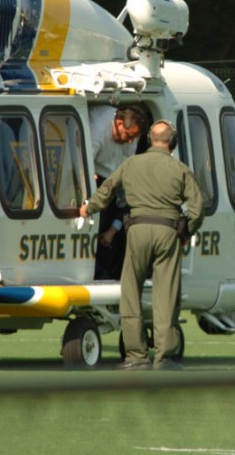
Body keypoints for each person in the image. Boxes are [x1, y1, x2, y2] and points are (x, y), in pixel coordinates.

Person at [80, 120, 204, 370]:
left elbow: (107, 190)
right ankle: (164, 357)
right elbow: (197, 208)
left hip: (136, 230)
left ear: (149, 139)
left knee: (130, 291)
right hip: (167, 231)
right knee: (165, 294)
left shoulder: (130, 164)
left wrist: (87, 208)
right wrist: (186, 231)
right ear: (172, 142)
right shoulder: (180, 169)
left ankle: (136, 357)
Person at [88, 104, 149, 279]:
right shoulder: (98, 129)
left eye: (134, 138)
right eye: (128, 136)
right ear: (119, 122)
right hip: (95, 176)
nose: (131, 142)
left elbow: (127, 172)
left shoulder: (131, 137)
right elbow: (85, 163)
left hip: (114, 180)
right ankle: (97, 273)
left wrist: (114, 228)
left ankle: (118, 274)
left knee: (127, 220)